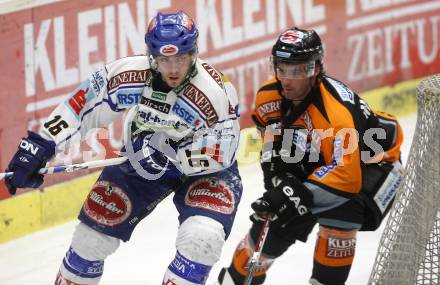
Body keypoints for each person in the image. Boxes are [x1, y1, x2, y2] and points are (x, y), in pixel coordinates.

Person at [5, 11, 242, 285]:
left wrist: (173, 155)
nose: (174, 69)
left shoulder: (214, 93)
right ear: (152, 56)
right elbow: (80, 108)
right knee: (89, 240)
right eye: (165, 60)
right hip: (142, 158)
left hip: (204, 170)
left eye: (181, 58)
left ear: (193, 53)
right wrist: (40, 145)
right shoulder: (129, 74)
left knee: (203, 237)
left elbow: (222, 151)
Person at [217, 27, 404, 285]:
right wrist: (278, 185)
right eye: (281, 68)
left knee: (342, 213)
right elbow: (274, 148)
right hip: (321, 155)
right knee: (276, 223)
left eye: (298, 70)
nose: (287, 80)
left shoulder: (336, 114)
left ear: (315, 69)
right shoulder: (268, 96)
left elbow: (346, 178)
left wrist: (292, 196)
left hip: (374, 166)